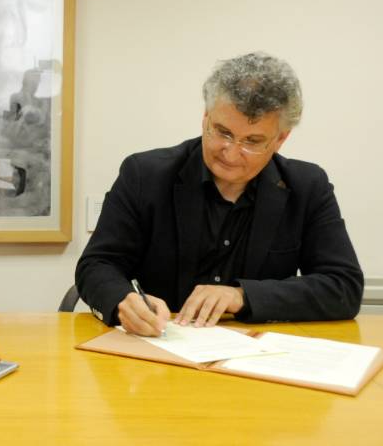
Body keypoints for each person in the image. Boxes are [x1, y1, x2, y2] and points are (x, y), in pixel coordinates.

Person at [75, 52, 363, 336]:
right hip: (159, 345)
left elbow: (344, 286)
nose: (231, 153)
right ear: (205, 117)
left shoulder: (307, 186)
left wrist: (242, 296)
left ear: (280, 139)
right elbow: (96, 265)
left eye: (252, 141)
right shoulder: (144, 175)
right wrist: (123, 301)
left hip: (259, 354)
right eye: (222, 132)